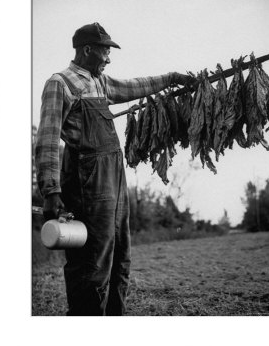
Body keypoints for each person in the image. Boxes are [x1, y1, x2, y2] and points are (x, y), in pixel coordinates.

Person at [35, 22, 193, 316]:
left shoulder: (101, 82)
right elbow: (46, 139)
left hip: (115, 181)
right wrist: (51, 191)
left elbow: (136, 85)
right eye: (106, 52)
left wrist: (172, 79)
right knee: (92, 260)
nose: (109, 59)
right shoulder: (61, 83)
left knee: (120, 256)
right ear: (87, 50)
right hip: (87, 182)